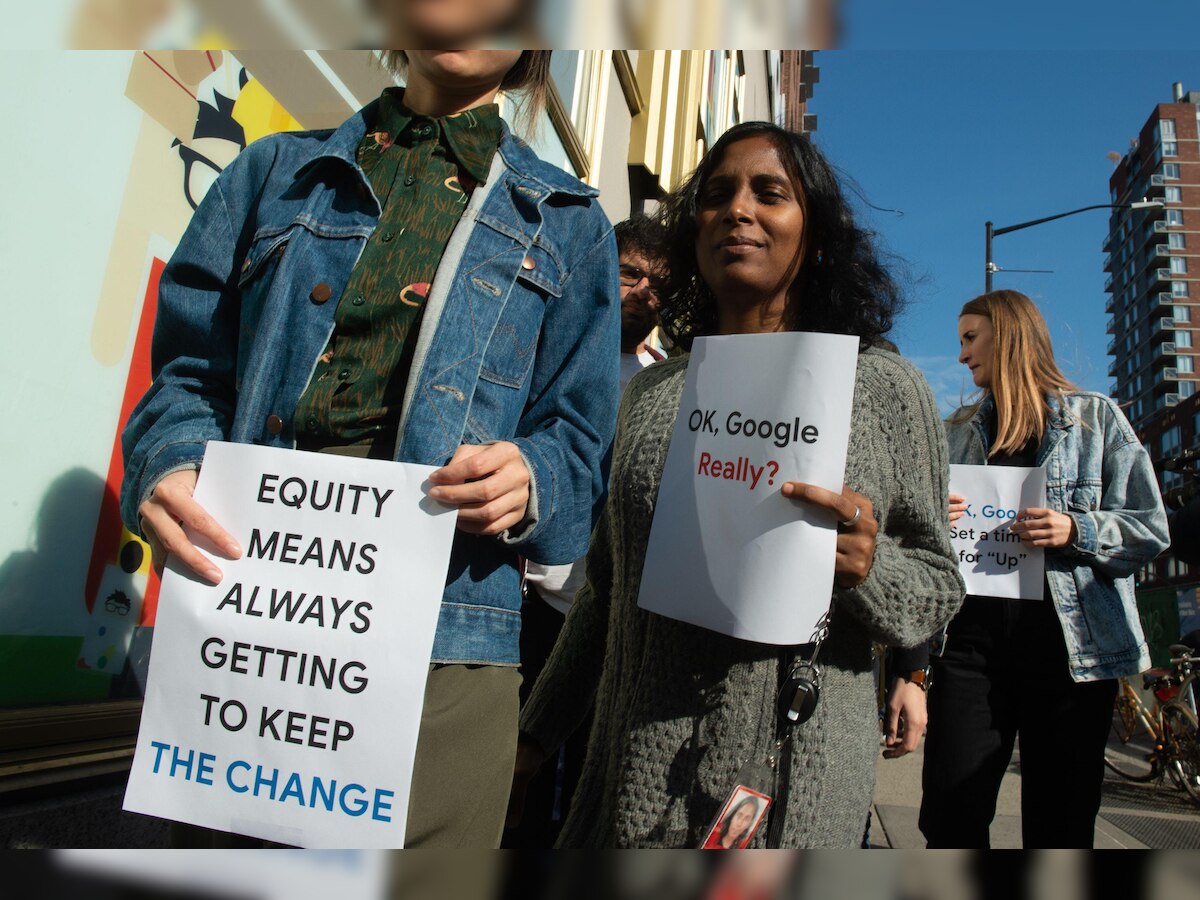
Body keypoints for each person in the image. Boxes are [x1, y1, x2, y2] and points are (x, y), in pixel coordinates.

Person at [119, 45, 620, 848]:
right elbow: (187, 376)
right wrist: (173, 459)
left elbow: (581, 443)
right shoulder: (270, 173)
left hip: (447, 649)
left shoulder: (571, 223)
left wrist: (531, 477)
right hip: (251, 629)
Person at [515, 121, 965, 848]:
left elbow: (937, 587)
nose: (737, 210)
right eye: (717, 195)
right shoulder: (654, 393)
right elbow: (604, 590)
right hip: (628, 787)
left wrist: (869, 569)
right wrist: (534, 738)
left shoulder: (883, 390)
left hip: (792, 795)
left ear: (815, 234)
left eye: (770, 193)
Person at [919, 289, 1169, 849]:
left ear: (1007, 336)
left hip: (1069, 656)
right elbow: (918, 539)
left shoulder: (1095, 420)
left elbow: (1151, 527)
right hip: (970, 648)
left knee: (1061, 826)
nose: (961, 355)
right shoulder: (954, 432)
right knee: (948, 817)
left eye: (969, 337)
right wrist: (934, 516)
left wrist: (1075, 530)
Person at [506, 214, 668, 847]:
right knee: (518, 781)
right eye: (632, 273)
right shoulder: (548, 353)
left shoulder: (668, 382)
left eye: (661, 284)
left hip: (611, 612)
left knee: (590, 791)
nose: (645, 292)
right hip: (532, 601)